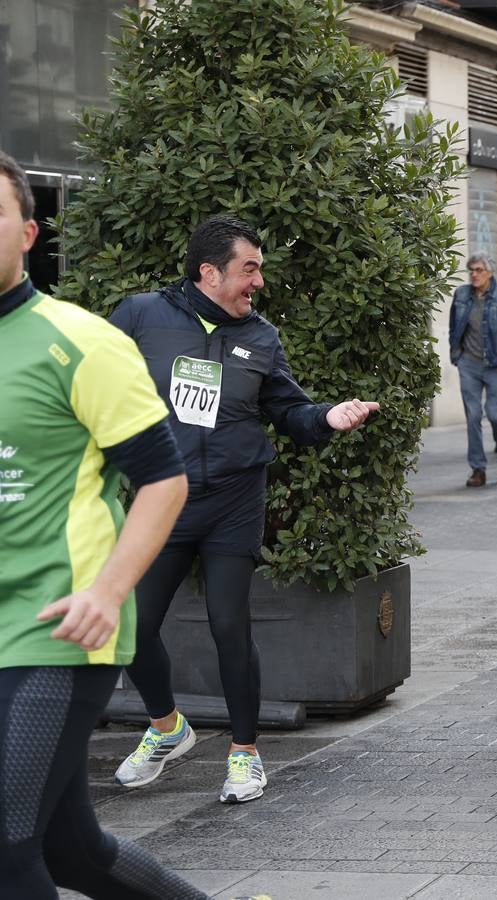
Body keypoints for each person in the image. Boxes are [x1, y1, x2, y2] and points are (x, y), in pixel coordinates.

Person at [107, 215, 379, 805]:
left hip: (233, 498)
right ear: (210, 272)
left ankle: (245, 754)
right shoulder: (140, 317)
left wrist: (327, 417)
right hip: (164, 495)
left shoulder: (260, 337)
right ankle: (165, 729)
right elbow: (94, 381)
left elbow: (290, 409)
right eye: (248, 269)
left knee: (229, 623)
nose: (258, 281)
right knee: (131, 627)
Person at [0, 152, 210, 898]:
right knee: (71, 850)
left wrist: (110, 592)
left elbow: (163, 478)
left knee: (5, 849)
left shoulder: (80, 342)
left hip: (60, 624)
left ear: (27, 232)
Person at [450, 252, 497, 487]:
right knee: (472, 416)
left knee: (496, 414)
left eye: (479, 269)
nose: (473, 274)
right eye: (471, 269)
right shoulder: (461, 294)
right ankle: (477, 469)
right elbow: (454, 327)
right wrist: (457, 355)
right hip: (469, 363)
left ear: (490, 272)